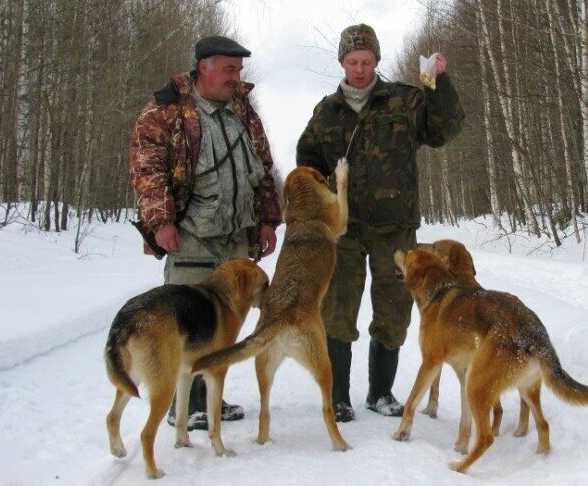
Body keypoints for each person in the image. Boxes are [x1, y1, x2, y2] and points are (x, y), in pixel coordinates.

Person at [296, 24, 465, 422]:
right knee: (337, 311)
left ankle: (381, 393)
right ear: (341, 62)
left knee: (393, 311)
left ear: (377, 61)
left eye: (366, 61)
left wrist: (437, 81)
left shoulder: (405, 100)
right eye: (352, 62)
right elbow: (308, 161)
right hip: (345, 230)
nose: (359, 69)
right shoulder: (326, 111)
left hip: (396, 229)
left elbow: (445, 129)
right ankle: (338, 397)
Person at [129, 35, 282, 430]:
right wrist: (161, 222)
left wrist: (267, 219)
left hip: (235, 238)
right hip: (191, 236)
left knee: (223, 326)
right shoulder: (165, 111)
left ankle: (211, 397)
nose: (236, 77)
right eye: (229, 69)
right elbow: (148, 170)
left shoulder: (243, 111)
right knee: (188, 321)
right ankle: (188, 405)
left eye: (239, 69)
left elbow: (262, 169)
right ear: (204, 67)